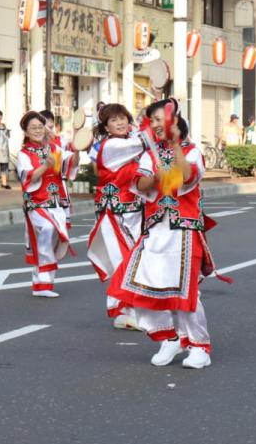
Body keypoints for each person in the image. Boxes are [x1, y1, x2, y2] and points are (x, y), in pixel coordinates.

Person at [108, 99, 225, 369]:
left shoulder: (193, 151)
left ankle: (199, 346)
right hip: (155, 229)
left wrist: (173, 147)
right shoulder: (150, 154)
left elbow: (186, 176)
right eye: (153, 121)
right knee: (137, 285)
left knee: (185, 292)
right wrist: (157, 174)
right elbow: (140, 182)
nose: (156, 125)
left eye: (161, 120)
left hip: (183, 230)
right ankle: (168, 337)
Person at [86, 103, 148, 329]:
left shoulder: (125, 143)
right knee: (127, 260)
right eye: (113, 120)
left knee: (132, 259)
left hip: (133, 211)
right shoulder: (112, 145)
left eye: (123, 117)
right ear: (106, 127)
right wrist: (161, 121)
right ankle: (125, 311)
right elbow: (145, 141)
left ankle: (128, 310)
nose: (120, 122)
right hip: (114, 213)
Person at [16, 110, 79, 298]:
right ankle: (43, 283)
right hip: (37, 203)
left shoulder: (54, 148)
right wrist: (45, 165)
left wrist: (78, 149)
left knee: (55, 238)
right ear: (26, 132)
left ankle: (40, 277)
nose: (37, 130)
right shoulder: (23, 154)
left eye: (40, 127)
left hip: (56, 202)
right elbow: (27, 178)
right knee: (47, 230)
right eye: (33, 128)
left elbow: (70, 164)